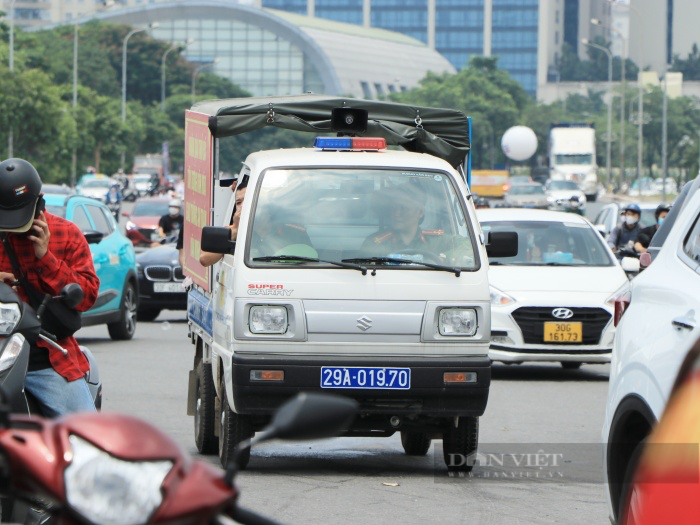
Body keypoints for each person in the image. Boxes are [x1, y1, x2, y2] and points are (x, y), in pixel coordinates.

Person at [0, 158, 99, 417]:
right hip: (2, 350)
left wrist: (47, 259)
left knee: (86, 435)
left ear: (39, 201)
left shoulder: (66, 233)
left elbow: (86, 296)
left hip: (46, 357)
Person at [361, 182, 443, 257]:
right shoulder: (374, 245)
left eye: (404, 208)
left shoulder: (437, 242)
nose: (396, 213)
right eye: (394, 208)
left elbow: (455, 248)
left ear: (420, 212)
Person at [199, 177, 248, 267]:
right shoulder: (230, 230)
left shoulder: (277, 225)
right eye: (238, 202)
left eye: (247, 200)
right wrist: (236, 229)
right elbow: (204, 259)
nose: (242, 206)